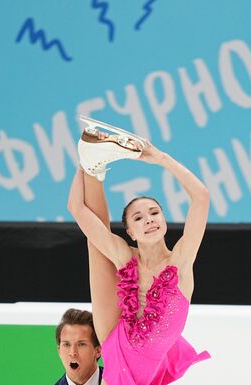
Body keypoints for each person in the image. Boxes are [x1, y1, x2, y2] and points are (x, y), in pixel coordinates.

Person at [67, 121, 211, 385]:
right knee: (96, 248)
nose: (149, 220)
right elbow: (76, 209)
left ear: (165, 220)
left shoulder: (181, 260)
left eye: (155, 213)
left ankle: (91, 162)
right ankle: (92, 164)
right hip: (119, 343)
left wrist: (161, 159)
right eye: (139, 217)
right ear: (131, 232)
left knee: (98, 249)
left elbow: (201, 196)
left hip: (135, 362)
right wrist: (82, 163)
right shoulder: (126, 256)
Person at [55, 308, 104, 385]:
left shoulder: (121, 381)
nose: (72, 352)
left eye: (81, 344)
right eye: (67, 345)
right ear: (59, 351)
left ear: (98, 350)